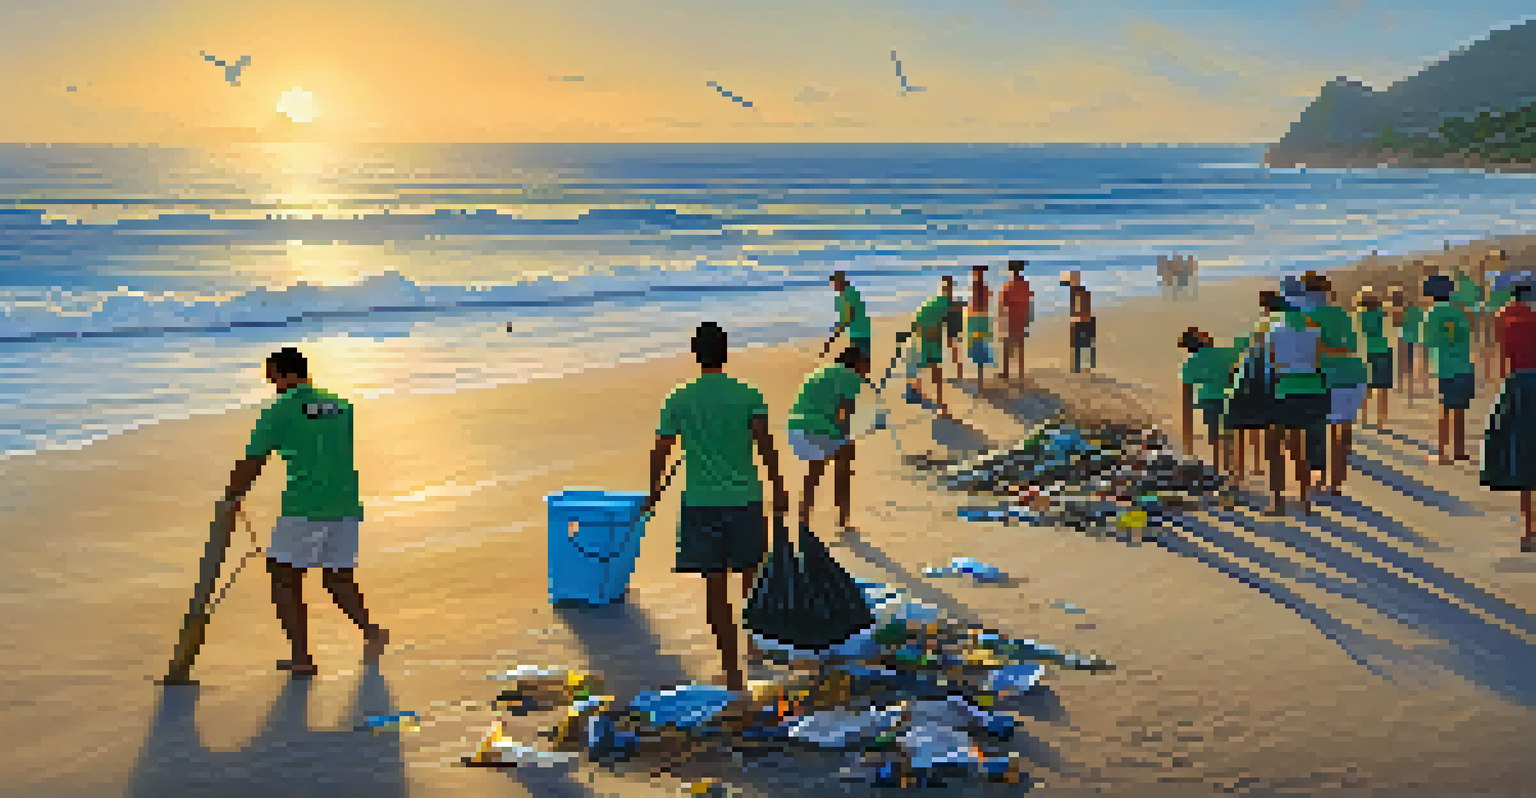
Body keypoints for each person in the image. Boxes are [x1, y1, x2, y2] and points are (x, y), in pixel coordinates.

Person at [220, 347, 387, 678]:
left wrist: (232, 496)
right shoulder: (341, 406)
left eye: (273, 378)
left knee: (284, 576)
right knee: (337, 576)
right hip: (345, 503)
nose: (272, 385)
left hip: (305, 506)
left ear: (282, 374)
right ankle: (372, 633)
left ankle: (301, 657)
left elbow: (254, 459)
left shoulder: (281, 410)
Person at [645, 321, 790, 691]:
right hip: (746, 500)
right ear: (725, 353)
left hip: (701, 504)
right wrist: (779, 486)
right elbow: (765, 446)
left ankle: (732, 673)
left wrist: (653, 492)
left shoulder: (679, 398)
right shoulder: (747, 395)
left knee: (715, 588)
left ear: (696, 355)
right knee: (750, 580)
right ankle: (754, 646)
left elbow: (661, 450)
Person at [787, 346, 870, 539]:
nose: (866, 373)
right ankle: (843, 521)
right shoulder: (850, 377)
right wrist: (848, 440)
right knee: (843, 467)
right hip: (819, 427)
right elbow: (846, 412)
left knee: (815, 471)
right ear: (856, 364)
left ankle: (804, 518)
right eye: (865, 367)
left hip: (795, 427)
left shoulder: (822, 372)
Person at [1483, 272, 1536, 552]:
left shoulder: (1503, 316)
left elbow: (1501, 354)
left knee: (1523, 456)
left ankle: (1529, 531)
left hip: (1515, 385)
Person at [1267, 283, 1328, 516]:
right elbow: (1319, 361)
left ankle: (1278, 502)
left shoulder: (1274, 330)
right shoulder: (1314, 330)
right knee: (1301, 445)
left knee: (1276, 447)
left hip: (1286, 388)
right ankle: (1305, 501)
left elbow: (1271, 364)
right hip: (1313, 389)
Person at [1304, 272, 1368, 495]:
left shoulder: (1302, 315)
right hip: (1352, 377)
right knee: (1343, 430)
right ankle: (1337, 483)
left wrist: (1317, 350)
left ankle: (1319, 478)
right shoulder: (1341, 314)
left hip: (1323, 380)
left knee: (1317, 430)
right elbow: (1350, 347)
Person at [1422, 274, 1475, 465]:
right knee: (1459, 410)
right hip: (1464, 365)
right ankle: (1459, 450)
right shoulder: (1458, 311)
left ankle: (1442, 453)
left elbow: (1428, 341)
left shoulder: (1431, 314)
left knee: (1444, 410)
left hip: (1445, 368)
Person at [1179, 328, 1241, 475]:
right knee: (1229, 436)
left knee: (1215, 437)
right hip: (1230, 398)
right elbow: (1236, 374)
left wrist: (1188, 444)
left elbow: (1186, 402)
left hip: (1209, 401)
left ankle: (1219, 470)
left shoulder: (1190, 363)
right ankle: (1231, 469)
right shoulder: (1225, 354)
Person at [906, 276, 956, 418]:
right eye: (950, 287)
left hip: (921, 332)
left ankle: (916, 391)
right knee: (935, 369)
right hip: (929, 336)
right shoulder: (945, 304)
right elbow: (945, 321)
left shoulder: (938, 301)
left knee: (922, 365)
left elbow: (924, 316)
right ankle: (941, 402)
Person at [1355, 286, 1393, 429]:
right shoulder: (1382, 313)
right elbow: (1391, 330)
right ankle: (1381, 421)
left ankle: (1364, 418)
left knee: (1366, 388)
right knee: (1383, 390)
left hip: (1366, 354)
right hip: (1384, 351)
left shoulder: (1358, 315)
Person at [821, 271, 871, 361]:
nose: (834, 285)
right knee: (859, 363)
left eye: (836, 282)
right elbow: (845, 318)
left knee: (856, 362)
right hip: (858, 333)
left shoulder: (848, 294)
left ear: (841, 281)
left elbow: (847, 318)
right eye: (833, 283)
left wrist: (832, 338)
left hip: (860, 335)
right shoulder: (845, 295)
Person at [998, 260, 1034, 381]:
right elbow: (1029, 301)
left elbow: (1004, 302)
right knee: (1020, 345)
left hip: (1012, 317)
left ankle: (1006, 372)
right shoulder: (1025, 284)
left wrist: (1001, 317)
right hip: (1022, 316)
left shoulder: (1009, 284)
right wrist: (1028, 317)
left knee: (1007, 345)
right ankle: (1020, 372)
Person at [1393, 276, 1428, 399]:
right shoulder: (1417, 310)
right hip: (1414, 338)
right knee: (1410, 366)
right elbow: (1421, 322)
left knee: (1402, 365)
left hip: (1403, 338)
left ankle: (1402, 387)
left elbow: (1396, 323)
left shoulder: (1401, 310)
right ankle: (1411, 390)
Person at [965, 264, 993, 393]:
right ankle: (980, 382)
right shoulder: (984, 288)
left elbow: (972, 305)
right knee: (980, 350)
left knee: (977, 351)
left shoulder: (975, 287)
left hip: (976, 320)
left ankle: (980, 383)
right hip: (982, 319)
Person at [1062, 270, 1095, 374]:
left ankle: (1077, 368)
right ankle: (1088, 366)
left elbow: (1076, 309)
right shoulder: (1084, 291)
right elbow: (1086, 306)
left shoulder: (1075, 292)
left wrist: (1073, 320)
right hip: (1087, 320)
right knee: (1086, 345)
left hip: (1080, 321)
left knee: (1077, 346)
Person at [945, 279, 966, 382]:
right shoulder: (949, 300)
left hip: (953, 328)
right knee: (953, 351)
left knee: (955, 352)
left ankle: (959, 374)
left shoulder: (953, 300)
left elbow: (962, 305)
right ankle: (959, 373)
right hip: (949, 327)